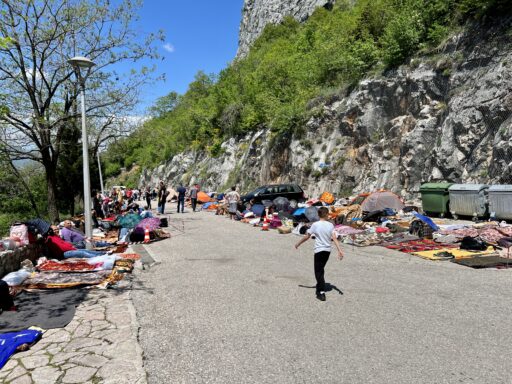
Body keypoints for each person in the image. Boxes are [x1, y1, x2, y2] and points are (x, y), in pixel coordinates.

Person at [294, 206, 344, 302]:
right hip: (327, 251)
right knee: (321, 269)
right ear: (327, 214)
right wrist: (339, 250)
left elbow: (307, 236)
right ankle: (320, 284)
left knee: (318, 271)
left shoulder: (315, 225)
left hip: (319, 251)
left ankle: (321, 292)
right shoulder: (330, 225)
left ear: (318, 214)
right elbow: (334, 238)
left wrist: (298, 243)